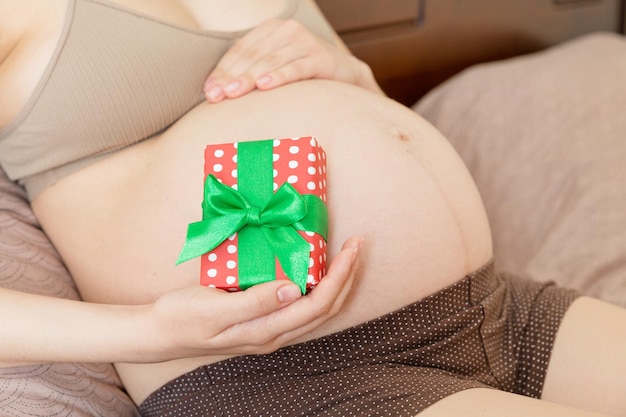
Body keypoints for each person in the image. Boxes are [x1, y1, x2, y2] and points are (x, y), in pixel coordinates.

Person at [0, 0, 625, 416]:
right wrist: (147, 332)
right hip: (279, 374)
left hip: (492, 309)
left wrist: (351, 75)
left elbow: (373, 124)